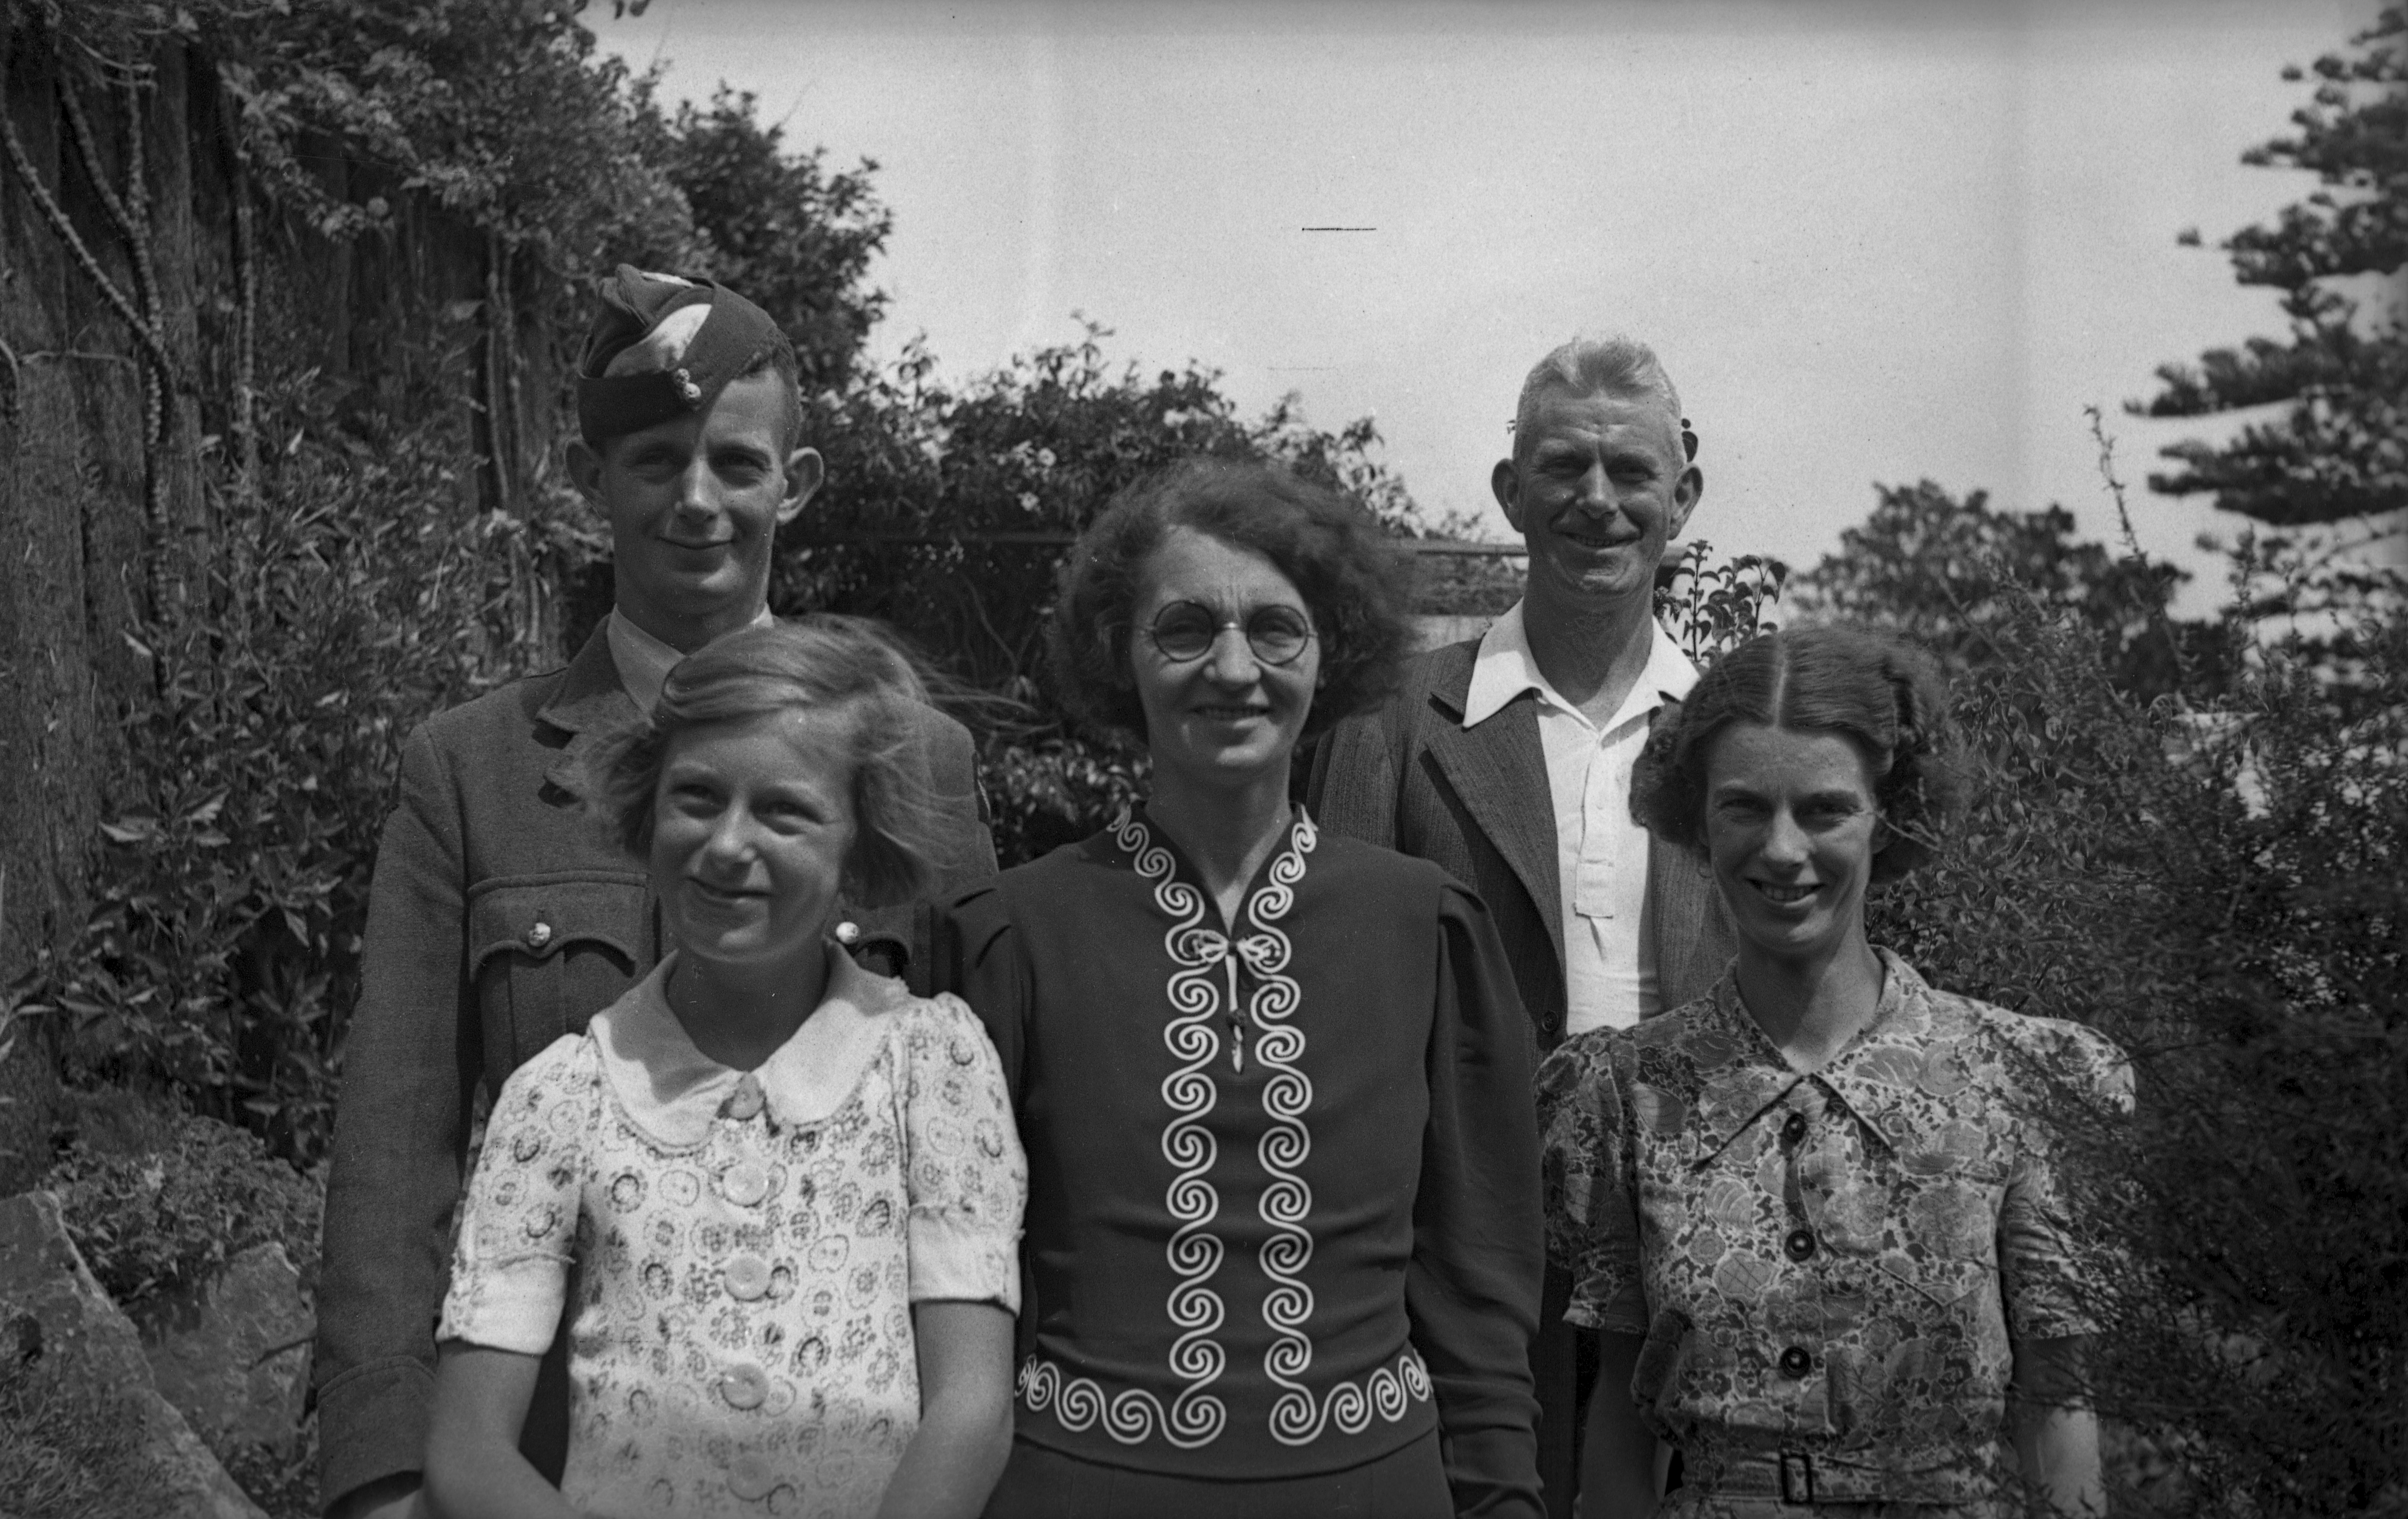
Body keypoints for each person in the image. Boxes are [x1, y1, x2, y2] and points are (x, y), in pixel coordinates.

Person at [315, 267, 998, 1519]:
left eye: (735, 463)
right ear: (593, 484)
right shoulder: (469, 768)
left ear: (794, 484)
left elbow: (981, 1154)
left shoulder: (916, 759)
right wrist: (383, 1473)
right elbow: (392, 1142)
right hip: (532, 1469)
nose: (697, 500)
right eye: (655, 458)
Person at [934, 458, 1546, 1518]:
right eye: (1182, 628)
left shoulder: (1425, 924)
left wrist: (1501, 1498)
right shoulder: (1011, 931)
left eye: (1275, 627)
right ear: (1118, 657)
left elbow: (1479, 1277)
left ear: (1332, 653)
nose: (1231, 667)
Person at [424, 620, 1026, 1519]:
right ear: (645, 809)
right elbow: (469, 1453)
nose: (728, 846)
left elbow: (971, 1411)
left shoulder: (931, 1067)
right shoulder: (563, 1097)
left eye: (785, 811)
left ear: (856, 844)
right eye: (697, 797)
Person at [1536, 625, 2124, 1518]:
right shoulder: (1629, 1091)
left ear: (1887, 815)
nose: (1780, 850)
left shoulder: (2019, 1079)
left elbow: (2059, 1401)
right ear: (1694, 819)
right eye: (1743, 807)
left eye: (1823, 810)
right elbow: (1624, 1415)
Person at [1308, 334, 1737, 1513]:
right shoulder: (1393, 720)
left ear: (1681, 500)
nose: (1597, 501)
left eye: (1630, 472)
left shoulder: (1732, 737)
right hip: (1460, 1258)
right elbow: (1333, 1003)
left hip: (1689, 1262)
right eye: (1562, 466)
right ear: (1511, 491)